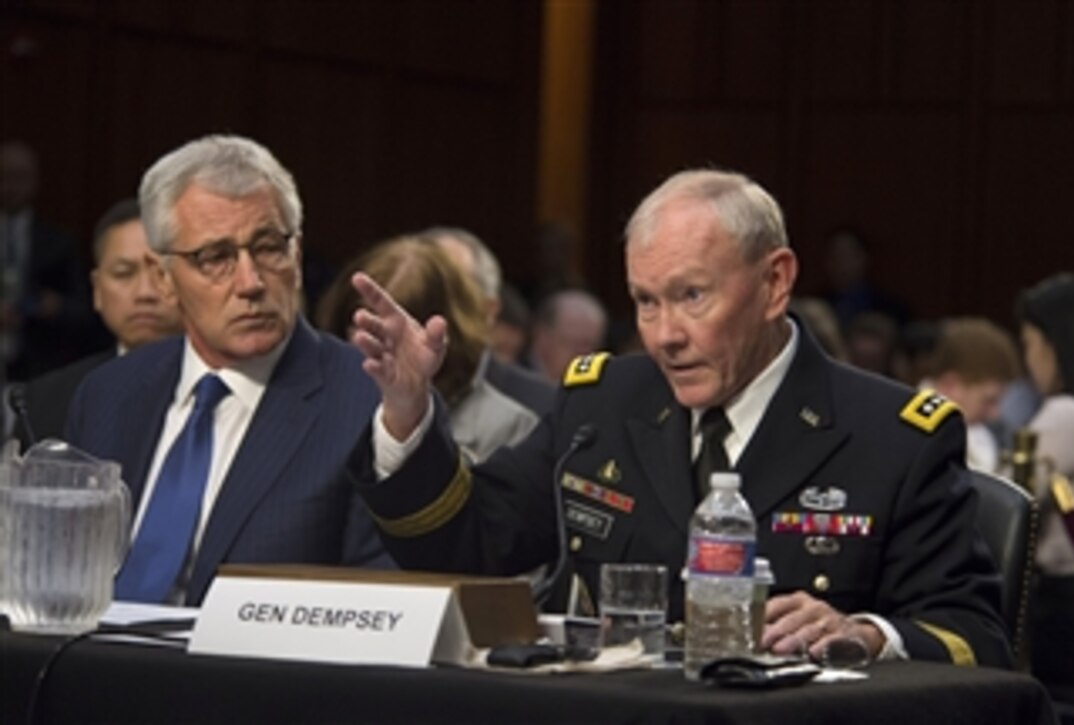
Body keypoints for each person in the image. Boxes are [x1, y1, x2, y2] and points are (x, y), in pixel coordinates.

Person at [349, 169, 1011, 668]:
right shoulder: (601, 402)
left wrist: (866, 632)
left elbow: (978, 637)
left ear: (775, 283)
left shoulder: (892, 436)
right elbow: (469, 544)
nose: (664, 334)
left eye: (692, 296)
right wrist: (408, 411)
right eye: (645, 301)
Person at [64, 135, 390, 606]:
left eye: (267, 248)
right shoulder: (109, 393)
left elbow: (379, 612)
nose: (250, 282)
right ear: (163, 277)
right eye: (216, 258)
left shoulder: (365, 402)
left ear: (296, 256)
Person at [318, 235, 539, 462]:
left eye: (387, 332)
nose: (364, 342)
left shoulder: (510, 428)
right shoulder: (319, 405)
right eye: (358, 324)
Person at [15, 199, 182, 447]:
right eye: (124, 273)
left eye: (162, 273)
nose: (145, 293)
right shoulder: (44, 402)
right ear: (97, 290)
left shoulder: (228, 388)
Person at [1015, 272, 1074, 691]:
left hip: (1064, 606)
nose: (1029, 360)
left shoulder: (1065, 412)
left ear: (1054, 344)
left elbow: (1010, 502)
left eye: (1029, 345)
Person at [421, 226, 555, 416]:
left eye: (451, 296)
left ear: (489, 310)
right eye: (421, 294)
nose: (430, 313)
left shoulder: (543, 406)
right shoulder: (368, 389)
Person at [1, 140, 90, 379]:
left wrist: (53, 307)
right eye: (4, 176)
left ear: (34, 181)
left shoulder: (58, 242)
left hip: (37, 365)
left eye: (19, 177)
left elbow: (83, 311)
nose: (10, 186)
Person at [919, 317, 1020, 473]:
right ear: (951, 385)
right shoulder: (912, 435)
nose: (995, 413)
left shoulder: (982, 434)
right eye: (988, 400)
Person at [528, 288, 608, 383]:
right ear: (543, 338)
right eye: (573, 344)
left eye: (590, 346)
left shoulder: (598, 387)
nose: (582, 355)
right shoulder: (514, 384)